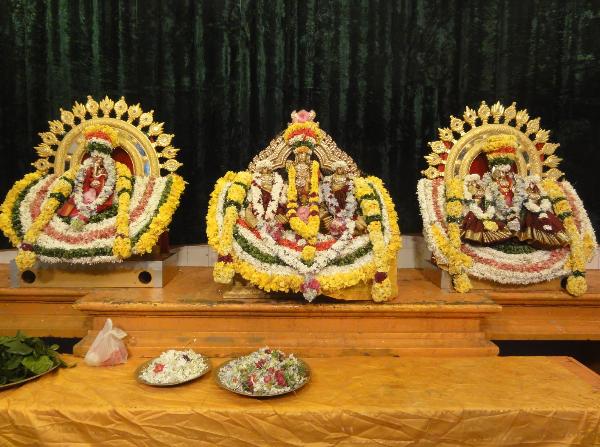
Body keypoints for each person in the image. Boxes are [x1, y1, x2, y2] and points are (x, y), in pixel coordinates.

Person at [518, 176, 569, 249]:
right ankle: (541, 241)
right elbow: (527, 203)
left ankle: (558, 239)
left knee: (551, 221)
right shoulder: (525, 192)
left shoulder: (539, 191)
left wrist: (543, 209)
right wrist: (538, 210)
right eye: (531, 183)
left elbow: (545, 200)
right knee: (537, 222)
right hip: (531, 211)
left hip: (542, 210)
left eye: (534, 183)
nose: (532, 185)